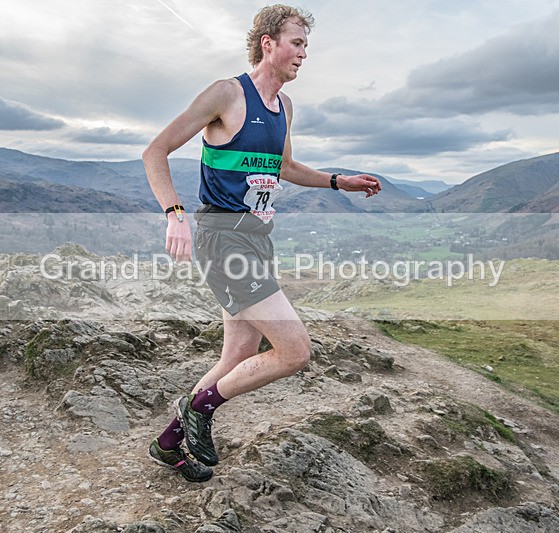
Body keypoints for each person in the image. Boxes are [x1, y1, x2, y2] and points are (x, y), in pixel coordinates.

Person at [143, 4, 382, 482]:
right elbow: (156, 151)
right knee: (294, 350)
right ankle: (201, 410)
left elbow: (285, 169)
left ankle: (169, 442)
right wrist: (175, 214)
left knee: (237, 356)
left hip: (256, 239)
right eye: (297, 43)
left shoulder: (284, 107)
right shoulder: (226, 94)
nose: (304, 54)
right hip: (222, 239)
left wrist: (340, 181)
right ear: (268, 44)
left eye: (307, 46)